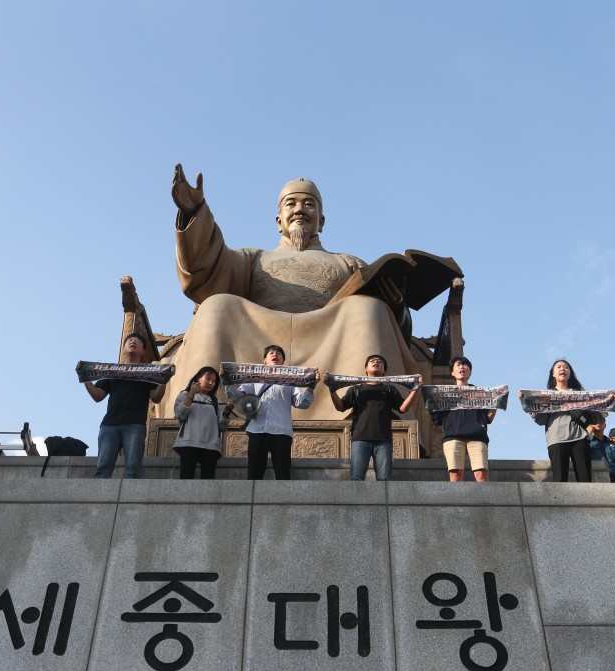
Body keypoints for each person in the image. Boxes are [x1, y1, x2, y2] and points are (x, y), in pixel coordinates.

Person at [162, 164, 457, 422]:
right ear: (278, 219)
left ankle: (372, 411)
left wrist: (396, 304)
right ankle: (204, 409)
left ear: (322, 220)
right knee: (217, 304)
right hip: (262, 338)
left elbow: (393, 326)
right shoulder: (254, 259)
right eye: (290, 204)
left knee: (368, 308)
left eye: (309, 204)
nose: (300, 210)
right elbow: (208, 271)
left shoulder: (348, 263)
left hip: (331, 338)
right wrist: (194, 213)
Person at [225, 345, 318, 480]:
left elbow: (302, 403)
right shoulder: (254, 378)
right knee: (254, 473)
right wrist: (228, 380)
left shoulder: (291, 381)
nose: (275, 354)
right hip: (257, 429)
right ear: (265, 361)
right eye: (271, 353)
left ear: (283, 361)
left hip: (281, 431)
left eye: (279, 353)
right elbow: (237, 398)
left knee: (283, 473)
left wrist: (311, 387)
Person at [83, 333, 170, 479]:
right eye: (129, 340)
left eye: (137, 340)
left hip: (135, 425)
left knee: (133, 469)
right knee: (102, 469)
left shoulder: (148, 373)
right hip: (110, 424)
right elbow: (98, 396)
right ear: (123, 348)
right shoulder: (113, 371)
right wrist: (85, 379)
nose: (133, 341)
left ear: (143, 351)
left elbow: (156, 397)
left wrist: (164, 380)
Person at [326, 355, 420, 481]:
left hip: (383, 439)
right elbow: (340, 407)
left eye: (380, 361)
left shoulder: (389, 389)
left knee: (384, 478)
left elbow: (403, 408)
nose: (376, 362)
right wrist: (332, 390)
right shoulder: (356, 389)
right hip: (360, 438)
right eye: (372, 361)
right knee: (357, 478)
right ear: (366, 368)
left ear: (384, 370)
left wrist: (415, 390)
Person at [520, 359, 610, 483]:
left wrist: (611, 401)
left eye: (566, 367)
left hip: (580, 437)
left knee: (585, 479)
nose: (563, 369)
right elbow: (541, 420)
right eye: (559, 367)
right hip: (557, 438)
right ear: (553, 374)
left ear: (570, 373)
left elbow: (596, 414)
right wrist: (526, 401)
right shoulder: (546, 396)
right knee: (559, 479)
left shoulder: (580, 395)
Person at [430, 356, 495, 482]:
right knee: (455, 475)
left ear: (470, 372)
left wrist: (496, 403)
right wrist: (430, 404)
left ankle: (485, 496)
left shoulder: (480, 393)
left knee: (481, 474)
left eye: (465, 365)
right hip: (453, 436)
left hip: (477, 436)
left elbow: (488, 418)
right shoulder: (444, 394)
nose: (462, 367)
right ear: (452, 372)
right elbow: (437, 420)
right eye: (458, 365)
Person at [173, 366, 234, 479]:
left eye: (214, 381)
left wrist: (226, 412)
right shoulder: (184, 395)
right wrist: (191, 394)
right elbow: (180, 415)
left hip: (211, 446)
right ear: (198, 378)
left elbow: (222, 426)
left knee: (208, 480)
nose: (211, 383)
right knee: (186, 478)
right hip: (188, 443)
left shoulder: (216, 402)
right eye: (208, 379)